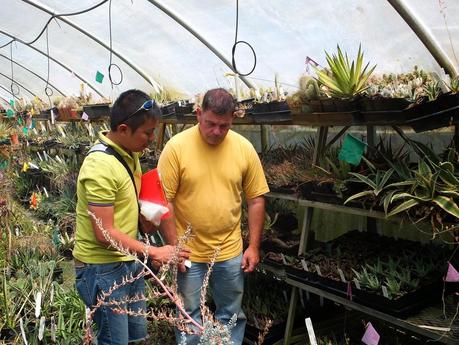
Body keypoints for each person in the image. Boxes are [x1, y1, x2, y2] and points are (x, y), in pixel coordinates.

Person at [73, 89, 190, 345]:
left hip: (128, 261)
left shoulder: (129, 154)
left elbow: (128, 206)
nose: (151, 139)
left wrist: (143, 219)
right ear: (124, 129)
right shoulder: (100, 166)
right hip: (103, 269)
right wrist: (154, 252)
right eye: (147, 133)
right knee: (114, 341)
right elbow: (104, 233)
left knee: (136, 336)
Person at [158, 88, 269, 344]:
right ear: (198, 114)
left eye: (224, 126)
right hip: (189, 253)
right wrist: (175, 246)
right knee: (189, 315)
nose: (217, 132)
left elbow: (255, 199)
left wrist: (253, 246)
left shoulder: (244, 148)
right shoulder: (176, 148)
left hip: (229, 251)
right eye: (211, 124)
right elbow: (166, 200)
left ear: (233, 119)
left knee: (230, 314)